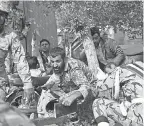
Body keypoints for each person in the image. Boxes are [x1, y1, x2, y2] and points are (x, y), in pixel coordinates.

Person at [0, 1, 36, 126]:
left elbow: (20, 58)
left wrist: (27, 84)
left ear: (6, 17)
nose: (0, 17)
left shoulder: (11, 35)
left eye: (2, 14)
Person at [37, 47, 97, 118]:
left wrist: (73, 96)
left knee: (63, 99)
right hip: (72, 88)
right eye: (52, 62)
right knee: (46, 92)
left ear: (64, 59)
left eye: (57, 61)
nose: (55, 65)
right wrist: (45, 87)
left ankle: (67, 118)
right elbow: (55, 77)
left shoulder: (73, 67)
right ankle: (42, 117)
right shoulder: (58, 66)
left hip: (90, 91)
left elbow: (86, 87)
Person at [92, 61, 144, 126]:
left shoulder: (120, 70)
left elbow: (100, 88)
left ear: (112, 68)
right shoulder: (140, 67)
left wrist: (101, 79)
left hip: (139, 115)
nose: (109, 74)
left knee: (99, 102)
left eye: (109, 73)